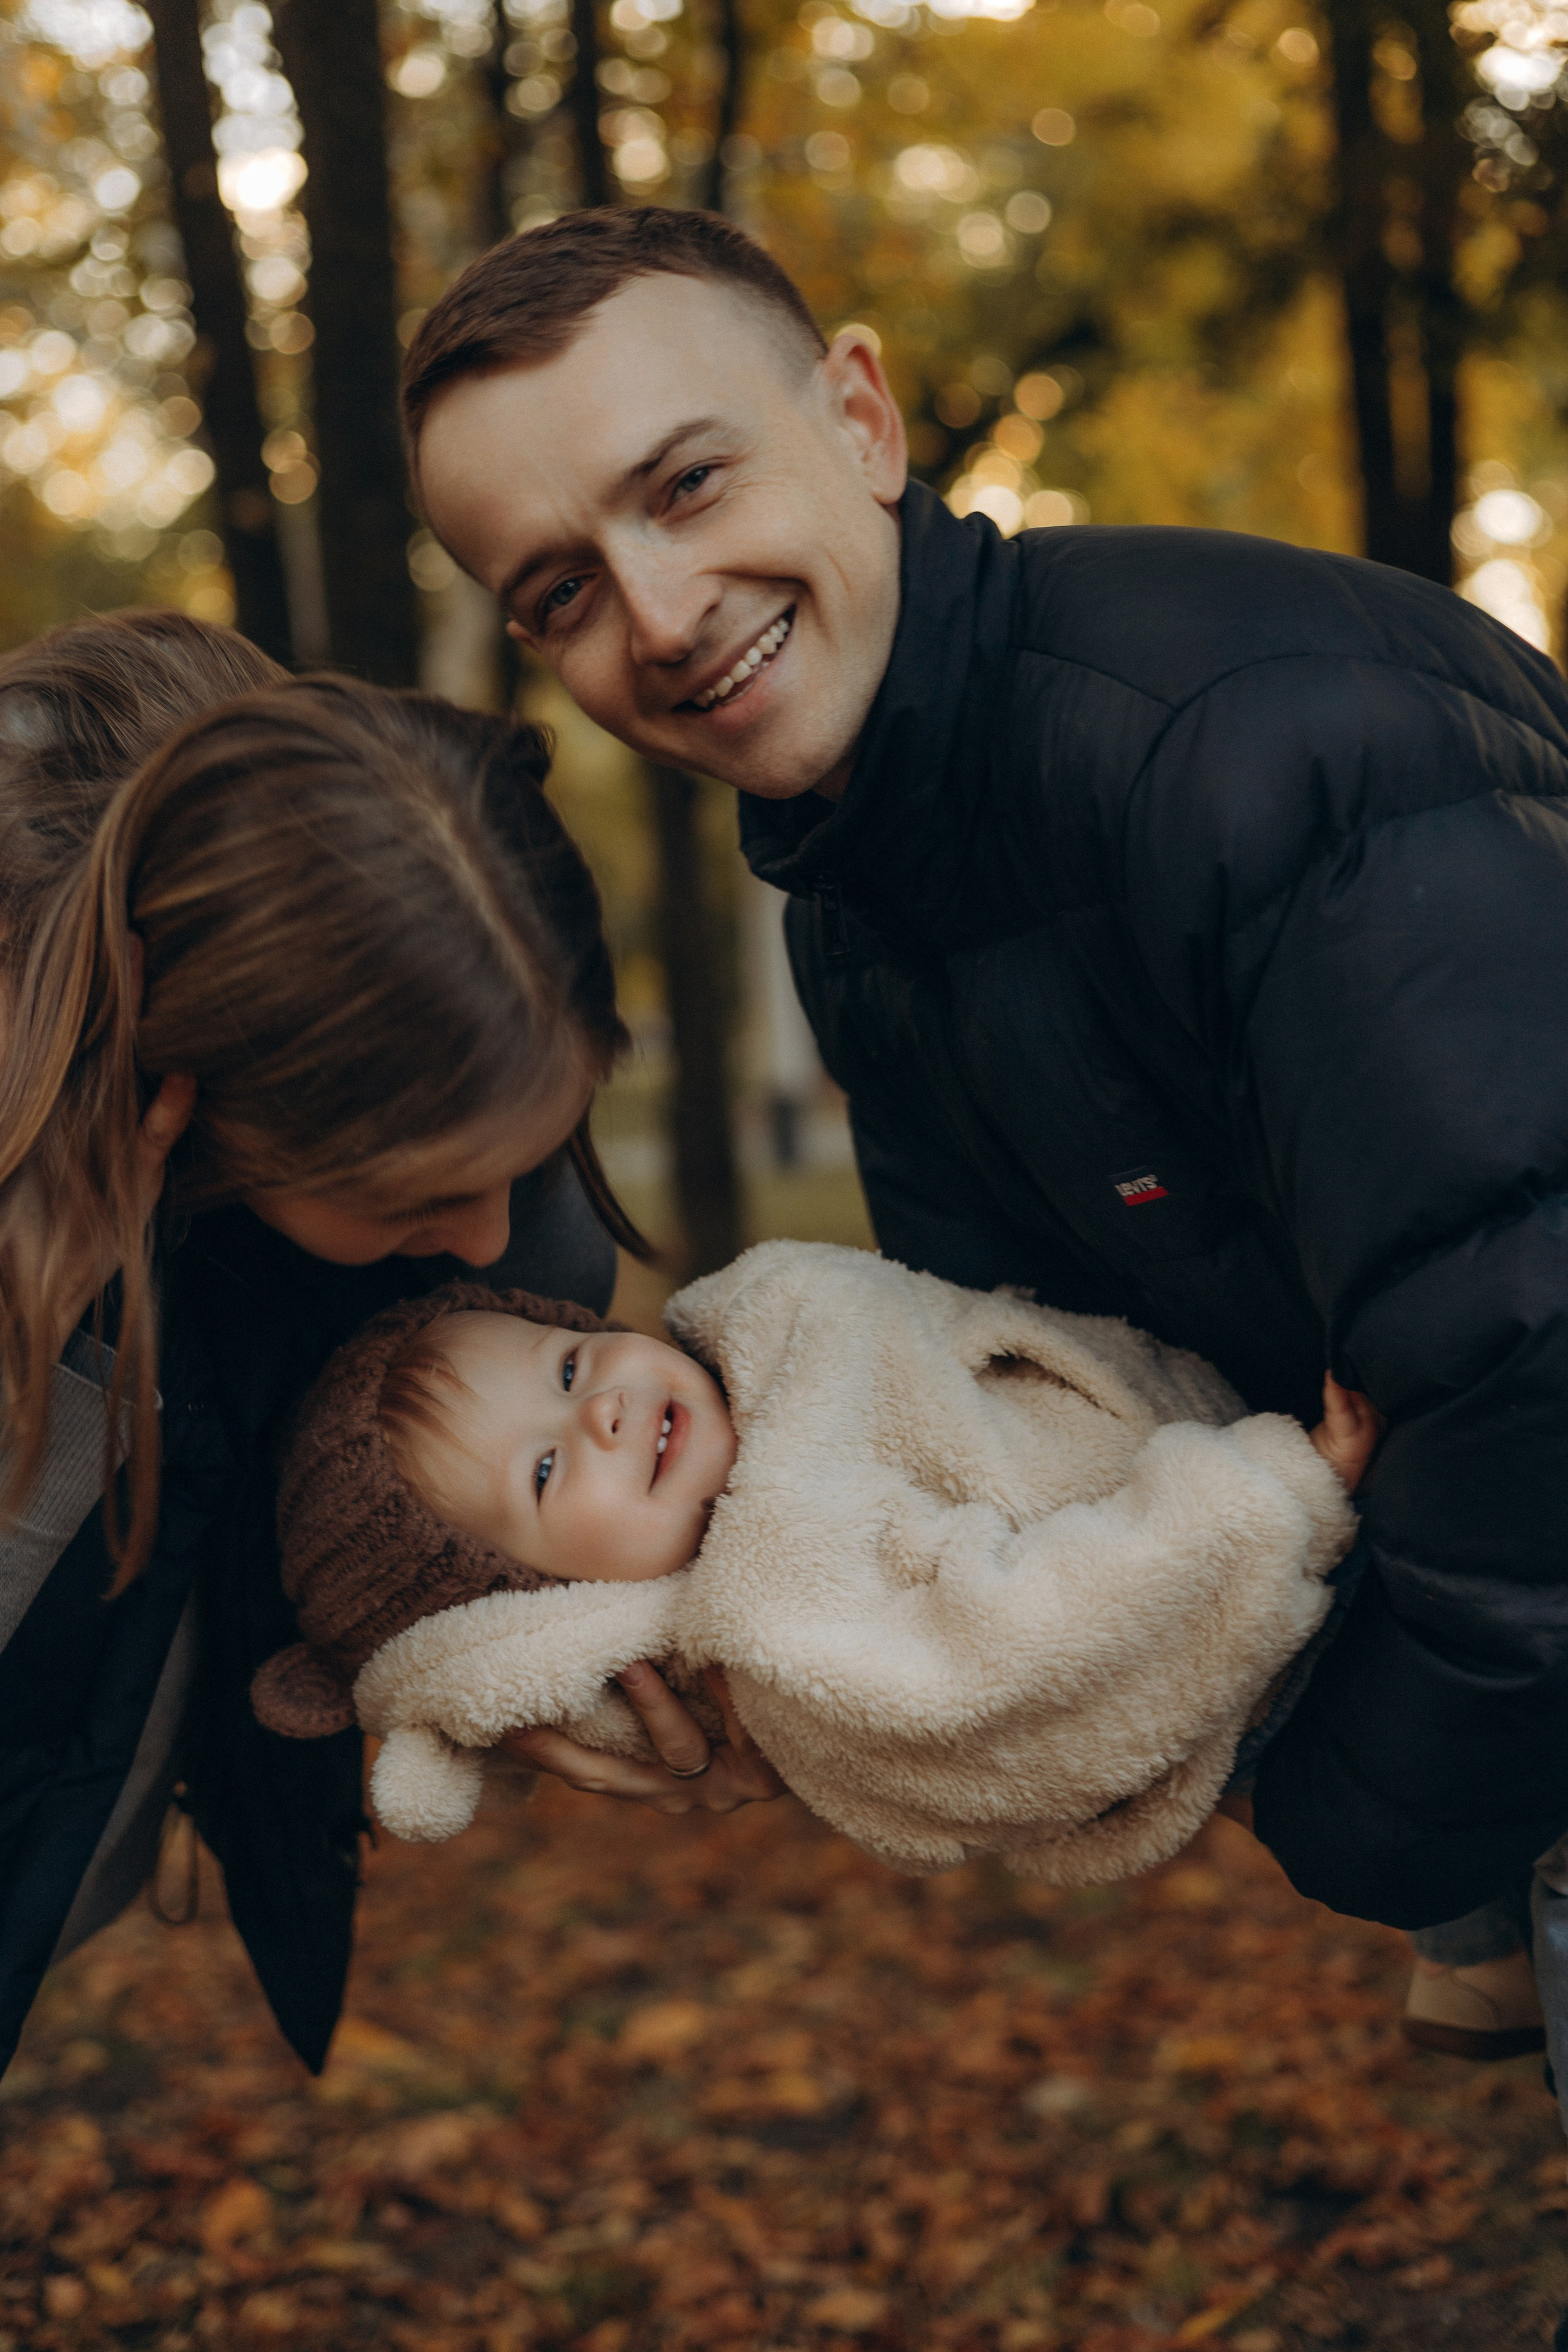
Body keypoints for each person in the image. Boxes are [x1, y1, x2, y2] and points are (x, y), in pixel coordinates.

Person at [401, 214, 1568, 2002]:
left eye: (690, 484)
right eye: (558, 589)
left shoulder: (1251, 748)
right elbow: (1026, 1396)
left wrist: (1360, 1819)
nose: (658, 613)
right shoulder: (866, 913)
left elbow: (1532, 1342)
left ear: (861, 420)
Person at [0, 613, 769, 2082]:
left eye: (533, 1154)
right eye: (412, 1200)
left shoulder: (411, 970)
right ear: (196, 1110)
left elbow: (370, 1544)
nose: (489, 1243)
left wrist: (477, 1654)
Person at [251, 1243, 1381, 1875]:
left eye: (566, 1366)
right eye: (543, 1477)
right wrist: (1269, 1497)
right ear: (549, 1608)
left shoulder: (773, 1355)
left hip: (1251, 1424)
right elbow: (1033, 1662)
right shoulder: (793, 1631)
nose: (597, 1413)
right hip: (1276, 1629)